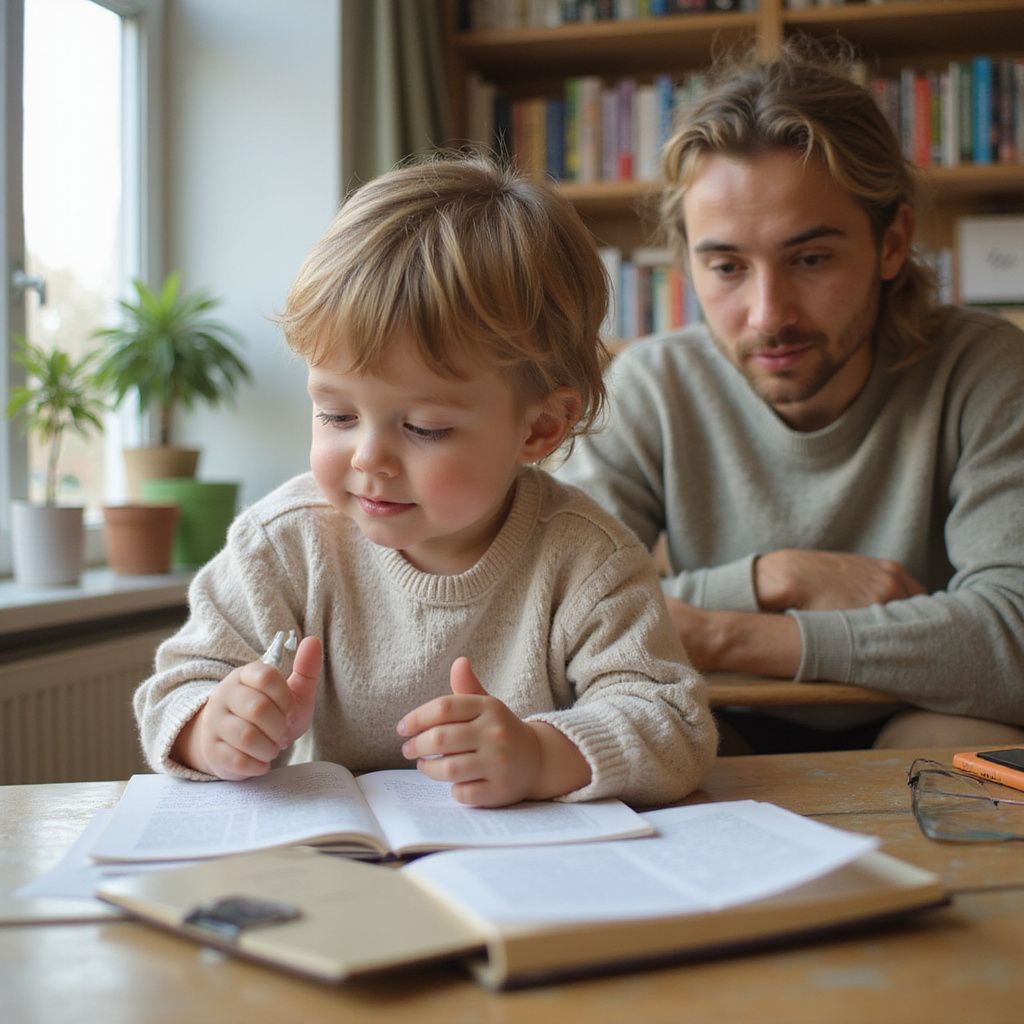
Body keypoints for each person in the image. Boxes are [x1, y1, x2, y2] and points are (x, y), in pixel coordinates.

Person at [133, 155, 716, 806]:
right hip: (336, 875)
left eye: (425, 428)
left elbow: (674, 723)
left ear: (541, 429)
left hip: (523, 884)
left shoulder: (588, 561)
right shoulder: (281, 545)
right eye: (337, 415)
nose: (367, 459)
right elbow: (176, 688)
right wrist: (212, 726)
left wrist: (540, 755)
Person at [558, 43, 1024, 752]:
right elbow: (557, 609)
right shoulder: (652, 385)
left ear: (892, 243)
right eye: (726, 267)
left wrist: (722, 628)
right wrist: (771, 578)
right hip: (720, 721)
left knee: (953, 745)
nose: (768, 314)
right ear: (686, 261)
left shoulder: (985, 369)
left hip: (921, 712)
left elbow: (1012, 636)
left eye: (810, 259)